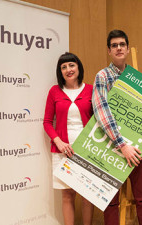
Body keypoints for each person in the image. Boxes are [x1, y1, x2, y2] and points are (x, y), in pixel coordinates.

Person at [92, 29, 142, 225]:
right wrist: (121, 144)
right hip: (111, 146)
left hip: (136, 148)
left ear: (127, 49)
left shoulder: (135, 77)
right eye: (114, 45)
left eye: (122, 45)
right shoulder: (102, 76)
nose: (118, 48)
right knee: (111, 201)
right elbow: (101, 111)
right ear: (109, 51)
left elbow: (141, 113)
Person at [43, 52, 94, 225]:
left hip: (88, 148)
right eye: (63, 67)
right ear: (60, 72)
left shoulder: (90, 90)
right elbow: (47, 122)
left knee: (88, 194)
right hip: (63, 150)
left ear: (78, 67)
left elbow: (98, 119)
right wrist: (58, 141)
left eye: (71, 65)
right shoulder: (54, 92)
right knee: (67, 194)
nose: (68, 70)